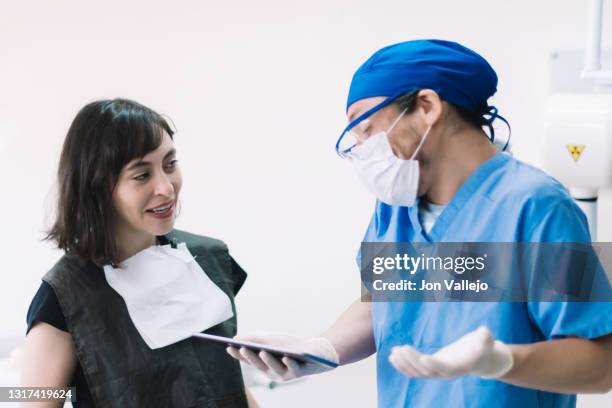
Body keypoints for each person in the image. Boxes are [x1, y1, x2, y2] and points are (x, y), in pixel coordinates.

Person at [227, 40, 612, 407]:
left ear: (427, 106)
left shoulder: (536, 207)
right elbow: (383, 299)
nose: (362, 150)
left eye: (367, 129)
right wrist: (324, 348)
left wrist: (500, 360)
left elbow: (600, 364)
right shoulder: (395, 210)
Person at [21, 99, 258, 407]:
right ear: (97, 187)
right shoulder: (63, 297)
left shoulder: (207, 258)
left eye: (170, 164)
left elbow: (227, 380)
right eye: (142, 175)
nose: (166, 187)